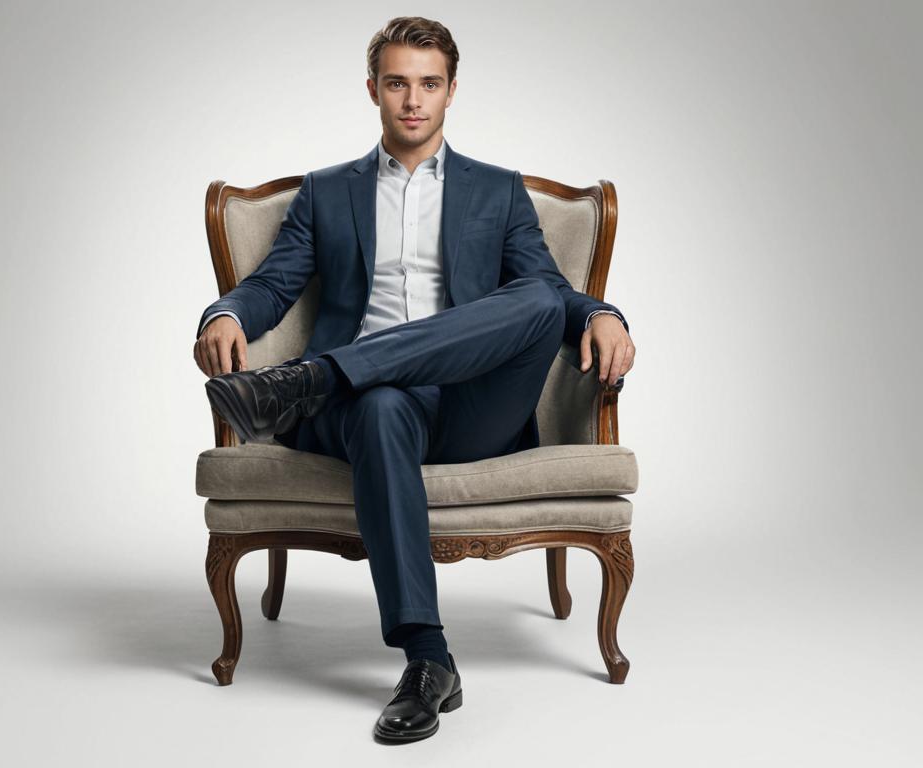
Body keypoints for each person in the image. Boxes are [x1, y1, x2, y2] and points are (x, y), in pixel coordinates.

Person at [193, 16, 636, 743]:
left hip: (470, 406)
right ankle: (428, 661)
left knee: (535, 298)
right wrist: (225, 313)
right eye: (397, 82)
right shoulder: (324, 193)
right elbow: (270, 286)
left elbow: (549, 293)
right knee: (381, 405)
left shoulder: (497, 192)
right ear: (373, 89)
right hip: (369, 410)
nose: (412, 100)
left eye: (429, 84)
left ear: (452, 91)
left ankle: (314, 378)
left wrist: (605, 313)